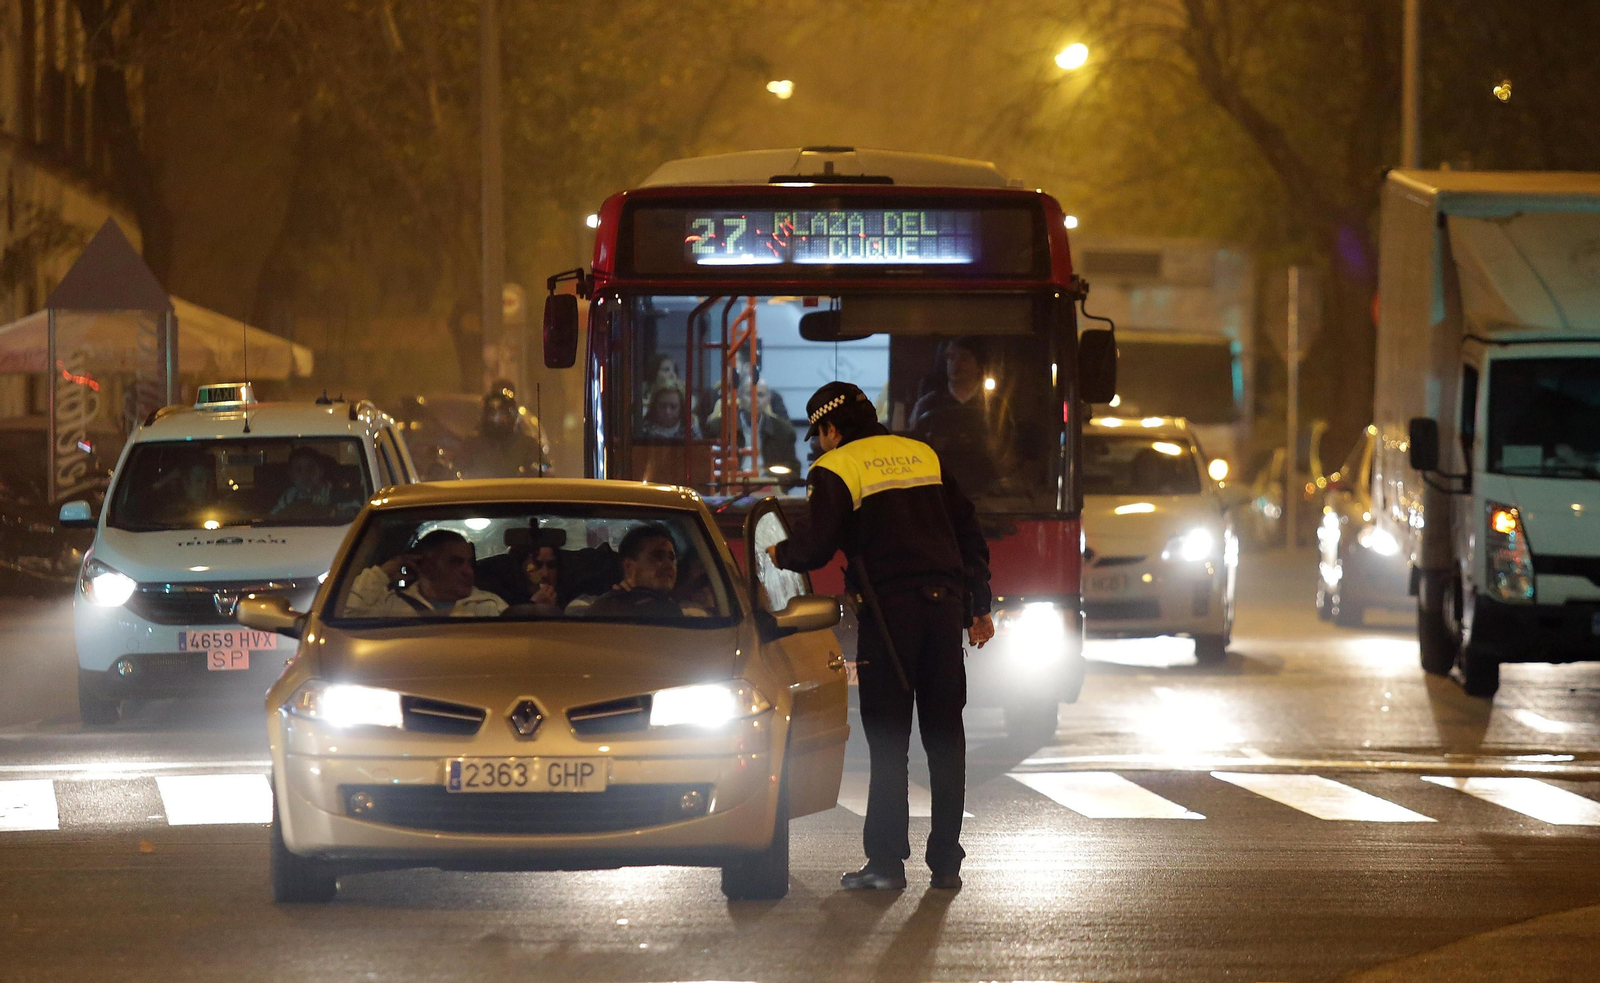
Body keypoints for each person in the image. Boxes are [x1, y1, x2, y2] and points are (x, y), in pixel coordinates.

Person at [769, 381, 993, 892]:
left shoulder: (836, 468)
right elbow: (969, 535)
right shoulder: (924, 454)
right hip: (944, 610)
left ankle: (887, 864)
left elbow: (818, 547)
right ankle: (946, 863)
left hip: (890, 616)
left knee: (889, 741)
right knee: (945, 737)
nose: (820, 444)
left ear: (831, 428)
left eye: (819, 434)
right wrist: (978, 606)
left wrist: (781, 554)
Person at [910, 337, 1010, 494]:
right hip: (938, 489)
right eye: (950, 358)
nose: (955, 364)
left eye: (964, 358)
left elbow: (1006, 451)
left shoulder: (996, 406)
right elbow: (913, 450)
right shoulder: (927, 404)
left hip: (988, 492)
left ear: (979, 365)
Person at [345, 530, 508, 617]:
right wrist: (382, 573)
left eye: (469, 562)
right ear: (426, 565)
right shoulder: (393, 605)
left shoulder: (489, 606)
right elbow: (346, 616)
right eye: (454, 562)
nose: (468, 571)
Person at [577, 524, 695, 618]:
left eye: (672, 558)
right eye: (658, 556)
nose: (669, 565)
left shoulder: (690, 611)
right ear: (629, 566)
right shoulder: (608, 608)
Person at [457, 389, 545, 478]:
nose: (497, 420)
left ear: (513, 416)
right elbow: (458, 475)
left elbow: (544, 474)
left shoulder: (528, 446)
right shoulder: (470, 446)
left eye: (502, 415)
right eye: (491, 414)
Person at [271, 447, 337, 516]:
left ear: (321, 471)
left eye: (310, 468)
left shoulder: (334, 493)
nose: (305, 474)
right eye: (298, 469)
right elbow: (273, 517)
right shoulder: (289, 496)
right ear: (291, 475)